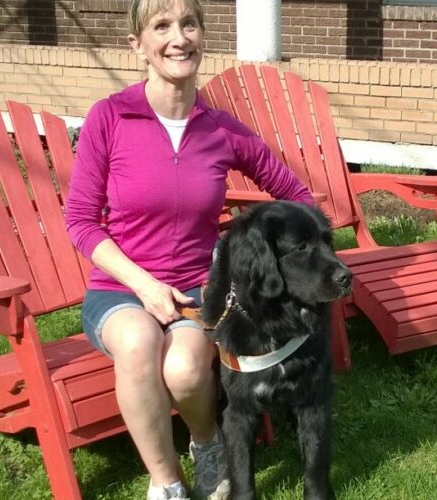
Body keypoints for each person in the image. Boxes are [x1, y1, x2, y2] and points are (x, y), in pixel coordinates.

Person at [65, 0, 314, 499]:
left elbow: (296, 195)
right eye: (161, 26)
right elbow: (80, 221)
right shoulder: (110, 118)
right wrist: (144, 285)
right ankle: (166, 484)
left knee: (183, 369)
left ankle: (206, 443)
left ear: (202, 36)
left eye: (189, 24)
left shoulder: (220, 129)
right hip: (119, 289)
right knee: (138, 345)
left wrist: (264, 255)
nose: (178, 38)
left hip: (196, 292)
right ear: (137, 45)